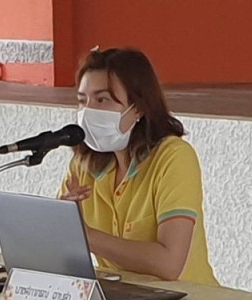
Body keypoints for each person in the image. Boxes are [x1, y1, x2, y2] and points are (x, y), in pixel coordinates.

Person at [60, 47, 219, 285]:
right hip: (121, 298)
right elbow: (60, 250)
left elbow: (169, 264)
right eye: (82, 101)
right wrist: (59, 227)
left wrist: (85, 235)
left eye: (102, 100)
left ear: (138, 108)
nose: (88, 112)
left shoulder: (174, 157)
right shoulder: (83, 165)